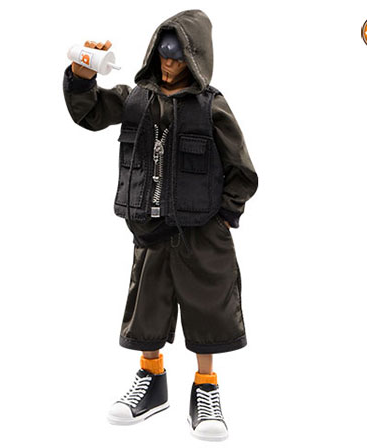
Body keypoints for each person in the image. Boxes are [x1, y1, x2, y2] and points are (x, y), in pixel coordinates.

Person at [62, 9, 258, 441]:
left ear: (195, 59)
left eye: (178, 58)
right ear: (154, 54)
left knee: (208, 308)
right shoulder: (136, 99)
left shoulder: (210, 105)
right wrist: (81, 78)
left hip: (201, 227)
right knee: (147, 304)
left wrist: (225, 214)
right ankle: (151, 381)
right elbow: (90, 112)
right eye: (164, 56)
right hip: (150, 227)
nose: (169, 66)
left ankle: (205, 389)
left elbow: (241, 168)